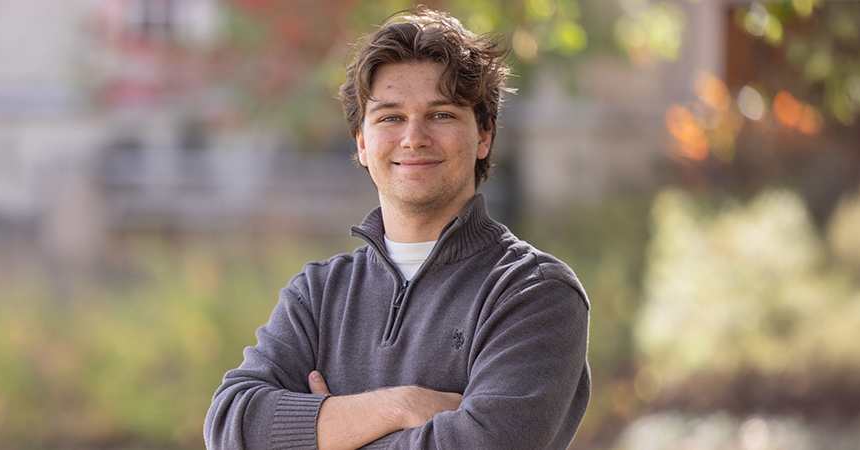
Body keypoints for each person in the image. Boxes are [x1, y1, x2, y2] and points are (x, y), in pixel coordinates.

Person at [204, 7, 590, 450]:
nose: (414, 138)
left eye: (441, 114)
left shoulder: (533, 293)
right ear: (363, 142)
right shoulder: (318, 294)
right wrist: (400, 405)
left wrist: (328, 428)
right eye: (390, 117)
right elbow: (231, 426)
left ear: (484, 135)